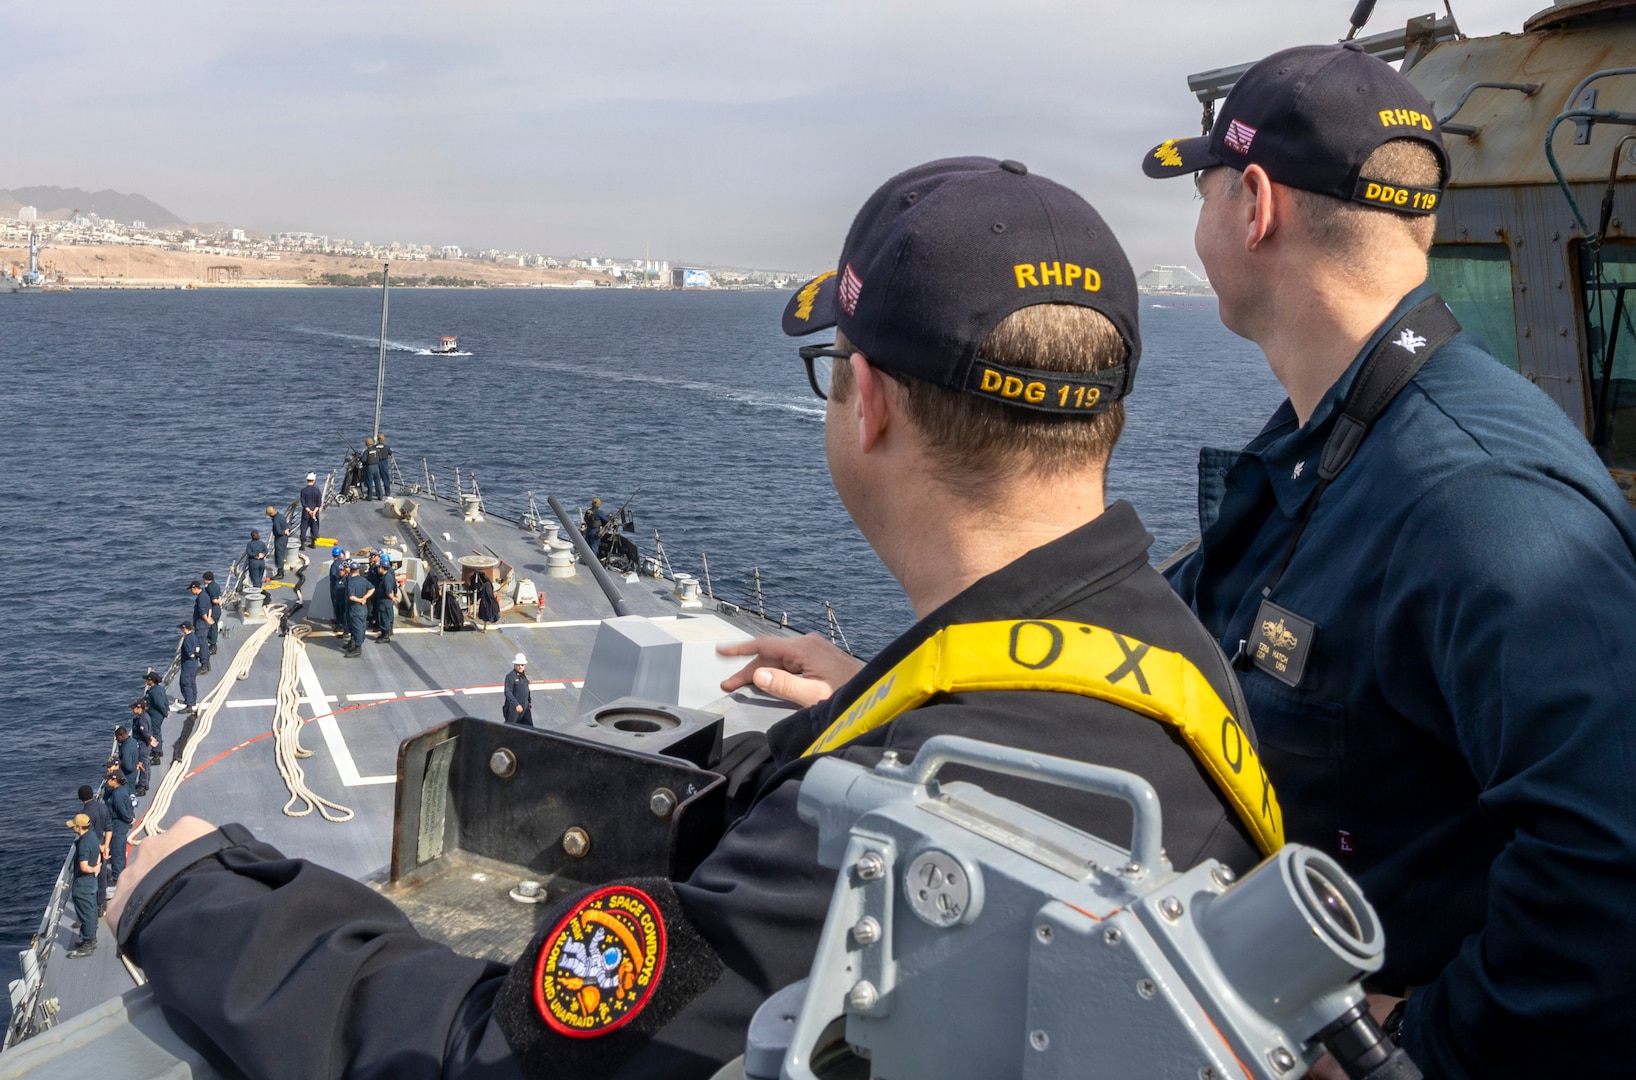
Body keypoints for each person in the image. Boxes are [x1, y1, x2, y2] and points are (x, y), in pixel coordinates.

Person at [109, 158, 1281, 1079]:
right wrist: (880, 694)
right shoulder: (1168, 661)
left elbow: (487, 1059)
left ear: (863, 399)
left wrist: (191, 890)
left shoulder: (916, 812)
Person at [1142, 44, 1636, 1078]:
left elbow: (1609, 867)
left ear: (1254, 206)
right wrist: (932, 679)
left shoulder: (1480, 500)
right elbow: (1171, 635)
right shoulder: (1328, 443)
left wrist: (1411, 1048)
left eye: (1203, 185)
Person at [64, 814, 101, 959]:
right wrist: (97, 866)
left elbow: (84, 867)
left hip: (83, 884)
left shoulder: (84, 843)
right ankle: (89, 937)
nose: (72, 827)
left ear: (79, 827)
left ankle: (88, 942)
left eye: (73, 825)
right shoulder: (92, 835)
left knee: (85, 913)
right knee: (90, 909)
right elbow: (98, 851)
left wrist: (94, 869)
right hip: (91, 883)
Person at [78, 784, 112, 916]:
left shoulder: (84, 814)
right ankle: (101, 902)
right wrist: (106, 846)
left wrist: (99, 847)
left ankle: (93, 906)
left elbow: (89, 834)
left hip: (92, 847)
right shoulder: (103, 807)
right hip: (103, 842)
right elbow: (109, 827)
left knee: (92, 876)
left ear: (80, 798)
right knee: (102, 874)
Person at [103, 771, 135, 885]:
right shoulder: (119, 791)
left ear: (114, 780)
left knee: (117, 852)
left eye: (108, 779)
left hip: (118, 825)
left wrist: (129, 819)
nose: (106, 781)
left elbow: (122, 810)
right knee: (118, 851)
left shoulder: (117, 795)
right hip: (118, 824)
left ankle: (117, 879)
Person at [342, 560, 372, 657]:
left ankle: (357, 649)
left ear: (350, 570)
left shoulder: (351, 582)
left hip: (355, 609)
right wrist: (365, 598)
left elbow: (351, 597)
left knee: (357, 628)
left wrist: (359, 600)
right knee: (360, 627)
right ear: (358, 570)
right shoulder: (364, 580)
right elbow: (372, 588)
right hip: (363, 609)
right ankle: (353, 643)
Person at [142, 670, 168, 765]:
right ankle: (158, 750)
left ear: (151, 680)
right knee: (156, 732)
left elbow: (159, 703)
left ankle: (156, 756)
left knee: (155, 733)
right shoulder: (159, 689)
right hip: (157, 714)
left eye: (147, 680)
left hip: (155, 715)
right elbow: (165, 700)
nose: (146, 681)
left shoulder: (154, 692)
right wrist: (167, 709)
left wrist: (165, 712)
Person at [129, 699, 154, 795]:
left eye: (133, 708)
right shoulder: (145, 716)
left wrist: (149, 739)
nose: (132, 710)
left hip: (142, 745)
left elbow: (145, 732)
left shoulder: (142, 720)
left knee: (142, 765)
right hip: (145, 744)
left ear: (139, 707)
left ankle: (142, 787)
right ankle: (145, 783)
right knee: (146, 763)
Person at [189, 581, 215, 672]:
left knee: (202, 644)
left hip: (201, 625)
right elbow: (209, 608)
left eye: (191, 589)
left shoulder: (201, 598)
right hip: (203, 624)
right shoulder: (205, 595)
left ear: (195, 588)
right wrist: (209, 618)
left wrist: (207, 619)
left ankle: (204, 666)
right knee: (204, 643)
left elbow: (202, 612)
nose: (191, 592)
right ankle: (207, 663)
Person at [176, 621, 202, 713]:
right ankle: (193, 699)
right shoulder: (194, 636)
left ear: (184, 628)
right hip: (194, 663)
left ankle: (189, 705)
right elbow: (198, 648)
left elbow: (190, 654)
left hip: (187, 663)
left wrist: (192, 654)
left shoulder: (187, 639)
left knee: (185, 682)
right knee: (192, 681)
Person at [373, 552, 398, 643]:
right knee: (383, 617)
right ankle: (383, 634)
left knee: (384, 618)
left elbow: (388, 591)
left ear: (382, 568)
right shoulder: (386, 576)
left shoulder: (387, 578)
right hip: (383, 601)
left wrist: (393, 598)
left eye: (379, 567)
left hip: (385, 602)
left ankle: (386, 636)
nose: (378, 569)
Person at [503, 653, 532, 726]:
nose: (520, 667)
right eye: (518, 665)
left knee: (530, 727)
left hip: (525, 706)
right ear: (514, 665)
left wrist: (529, 701)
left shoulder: (524, 675)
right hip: (514, 708)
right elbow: (507, 692)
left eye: (522, 665)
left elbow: (526, 689)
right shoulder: (510, 676)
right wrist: (516, 705)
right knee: (511, 727)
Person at [267, 506, 291, 580]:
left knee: (279, 555)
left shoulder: (276, 520)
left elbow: (278, 531)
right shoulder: (281, 516)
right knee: (282, 553)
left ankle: (280, 573)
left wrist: (283, 532)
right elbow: (286, 525)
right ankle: (281, 571)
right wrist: (286, 530)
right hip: (285, 538)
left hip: (280, 539)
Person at [299, 472, 323, 547]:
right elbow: (319, 503)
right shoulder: (317, 491)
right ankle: (313, 544)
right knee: (314, 527)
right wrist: (314, 512)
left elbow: (303, 503)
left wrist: (309, 511)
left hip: (306, 512)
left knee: (304, 527)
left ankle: (302, 545)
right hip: (315, 512)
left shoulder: (303, 491)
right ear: (314, 480)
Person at [202, 571, 224, 654]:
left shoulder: (210, 587)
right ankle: (211, 643)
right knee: (213, 626)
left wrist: (217, 601)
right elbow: (219, 595)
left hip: (213, 609)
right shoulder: (216, 585)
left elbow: (214, 600)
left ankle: (213, 645)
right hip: (217, 609)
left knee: (213, 627)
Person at [328, 545, 348, 629]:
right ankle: (342, 622)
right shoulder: (345, 563)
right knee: (343, 607)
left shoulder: (334, 565)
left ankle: (340, 624)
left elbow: (333, 576)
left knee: (337, 607)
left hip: (336, 589)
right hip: (344, 587)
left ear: (333, 555)